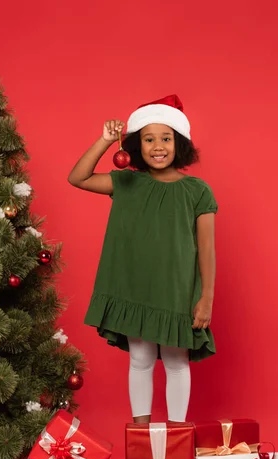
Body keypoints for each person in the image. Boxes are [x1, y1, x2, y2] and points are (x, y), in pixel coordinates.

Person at [68, 95, 218, 424]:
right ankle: (141, 432)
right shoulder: (127, 182)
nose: (158, 146)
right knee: (140, 359)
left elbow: (206, 249)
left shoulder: (198, 190)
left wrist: (206, 298)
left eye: (166, 138)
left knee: (178, 362)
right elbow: (77, 177)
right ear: (137, 145)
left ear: (180, 143)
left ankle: (177, 434)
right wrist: (105, 141)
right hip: (134, 289)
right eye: (149, 139)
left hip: (177, 291)